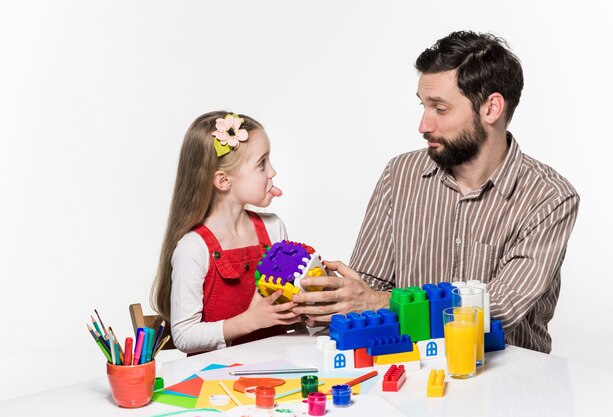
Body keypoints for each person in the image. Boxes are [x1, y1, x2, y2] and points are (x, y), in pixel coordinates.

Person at [292, 31, 579, 353]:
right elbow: (368, 287)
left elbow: (501, 307)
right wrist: (326, 300)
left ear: (491, 108)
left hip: (507, 375)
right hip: (408, 368)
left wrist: (377, 301)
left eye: (440, 109)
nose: (423, 125)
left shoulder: (550, 197)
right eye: (423, 105)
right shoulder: (399, 175)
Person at [151, 111, 301, 354]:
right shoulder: (193, 248)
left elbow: (287, 304)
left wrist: (309, 298)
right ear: (223, 181)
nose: (272, 172)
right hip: (215, 380)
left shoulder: (274, 228)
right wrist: (250, 321)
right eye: (261, 164)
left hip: (275, 369)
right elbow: (183, 336)